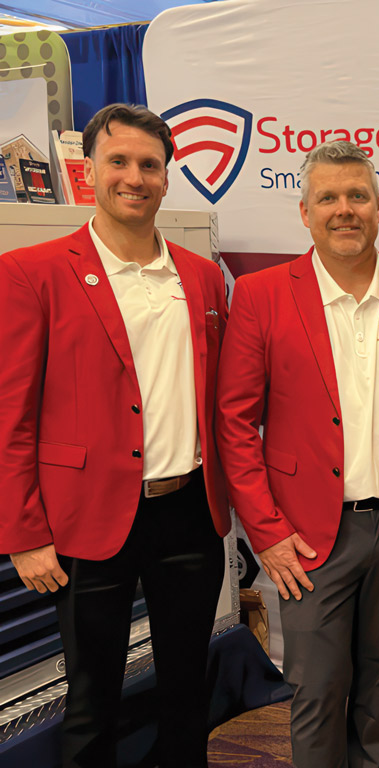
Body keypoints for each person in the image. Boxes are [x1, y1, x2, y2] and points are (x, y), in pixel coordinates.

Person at [215, 140, 379, 768]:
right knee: (317, 688)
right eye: (327, 197)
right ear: (304, 212)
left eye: (357, 196)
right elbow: (235, 421)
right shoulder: (260, 294)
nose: (344, 209)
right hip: (306, 535)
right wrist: (267, 533)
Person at [0, 103, 230, 768]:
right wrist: (24, 534)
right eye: (119, 161)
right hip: (86, 518)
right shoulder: (31, 272)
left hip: (188, 513)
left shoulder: (200, 275)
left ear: (167, 176)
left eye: (149, 165)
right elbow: (11, 415)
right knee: (91, 695)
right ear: (91, 169)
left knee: (187, 686)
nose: (135, 176)